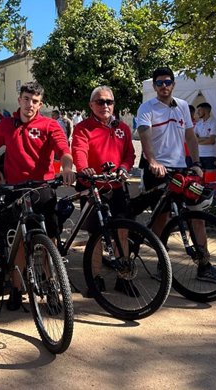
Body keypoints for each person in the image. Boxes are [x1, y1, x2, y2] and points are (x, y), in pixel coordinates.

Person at [0, 82, 76, 310]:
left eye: (35, 101)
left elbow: (64, 150)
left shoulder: (49, 125)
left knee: (50, 241)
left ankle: (53, 286)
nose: (29, 105)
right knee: (20, 242)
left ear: (40, 104)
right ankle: (17, 289)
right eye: (26, 99)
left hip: (41, 188)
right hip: (15, 190)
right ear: (20, 100)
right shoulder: (6, 125)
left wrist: (67, 167)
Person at [136, 67, 216, 284]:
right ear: (154, 86)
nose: (163, 86)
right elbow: (144, 135)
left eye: (167, 82)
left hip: (180, 170)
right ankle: (161, 264)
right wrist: (152, 161)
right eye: (159, 83)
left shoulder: (183, 106)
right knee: (162, 218)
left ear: (173, 84)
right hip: (158, 170)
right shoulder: (146, 108)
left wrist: (195, 163)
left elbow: (190, 136)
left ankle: (204, 265)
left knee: (196, 215)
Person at [71, 86, 137, 297]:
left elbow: (129, 154)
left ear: (113, 105)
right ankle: (95, 278)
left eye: (108, 102)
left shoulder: (123, 128)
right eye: (100, 102)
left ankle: (123, 278)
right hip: (92, 187)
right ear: (91, 105)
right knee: (95, 235)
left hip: (116, 186)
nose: (105, 105)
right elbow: (79, 150)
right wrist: (83, 169)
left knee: (122, 231)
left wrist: (124, 168)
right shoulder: (83, 128)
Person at [195, 102, 216, 183]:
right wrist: (206, 139)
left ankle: (212, 196)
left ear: (205, 110)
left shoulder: (213, 122)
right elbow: (194, 139)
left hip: (210, 155)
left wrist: (199, 140)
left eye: (199, 110)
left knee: (210, 181)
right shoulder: (198, 124)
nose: (197, 112)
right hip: (199, 155)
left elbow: (211, 140)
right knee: (199, 181)